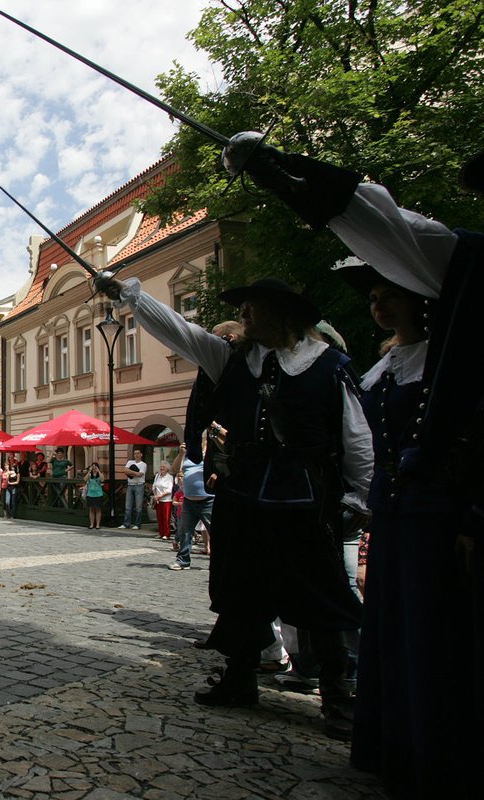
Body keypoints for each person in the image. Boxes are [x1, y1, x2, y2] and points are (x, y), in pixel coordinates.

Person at [226, 137, 484, 793]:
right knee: (379, 619)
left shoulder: (338, 364)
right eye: (370, 295)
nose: (376, 301)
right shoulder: (338, 365)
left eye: (384, 291)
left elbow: (358, 436)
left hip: (352, 499)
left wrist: (279, 169)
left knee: (332, 596)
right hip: (374, 505)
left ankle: (349, 698)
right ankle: (384, 732)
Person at [92, 270, 371, 741]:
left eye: (251, 308)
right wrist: (130, 297)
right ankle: (240, 678)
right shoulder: (234, 359)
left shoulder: (330, 365)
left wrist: (359, 494)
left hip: (303, 498)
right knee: (242, 589)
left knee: (318, 595)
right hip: (244, 496)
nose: (242, 316)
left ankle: (336, 695)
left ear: (281, 316)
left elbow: (356, 435)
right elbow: (183, 332)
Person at [171, 450, 213, 571]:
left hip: (208, 500)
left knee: (215, 531)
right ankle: (183, 560)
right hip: (188, 500)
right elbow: (174, 469)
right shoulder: (187, 455)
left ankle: (218, 562)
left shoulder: (209, 454)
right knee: (185, 531)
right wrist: (180, 453)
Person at [118, 449, 147, 529]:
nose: (136, 455)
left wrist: (130, 472)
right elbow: (125, 470)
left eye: (138, 453)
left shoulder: (143, 464)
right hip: (130, 485)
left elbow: (140, 474)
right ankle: (126, 523)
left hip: (139, 485)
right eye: (135, 453)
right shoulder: (130, 462)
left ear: (141, 455)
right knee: (128, 506)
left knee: (138, 506)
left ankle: (137, 524)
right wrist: (134, 473)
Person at [151, 461, 175, 541]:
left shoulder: (170, 477)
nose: (162, 468)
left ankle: (166, 534)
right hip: (158, 500)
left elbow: (169, 490)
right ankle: (161, 533)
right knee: (159, 517)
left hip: (166, 500)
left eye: (164, 467)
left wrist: (159, 496)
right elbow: (154, 486)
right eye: (161, 467)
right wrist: (155, 496)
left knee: (166, 518)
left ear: (167, 468)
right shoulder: (157, 475)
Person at [83, 462, 105, 529]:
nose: (94, 468)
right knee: (91, 510)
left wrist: (99, 471)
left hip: (98, 494)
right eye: (93, 467)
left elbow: (102, 479)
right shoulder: (90, 474)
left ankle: (98, 524)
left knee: (98, 510)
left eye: (95, 467)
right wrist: (89, 471)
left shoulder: (100, 474)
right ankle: (92, 524)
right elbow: (85, 479)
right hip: (90, 494)